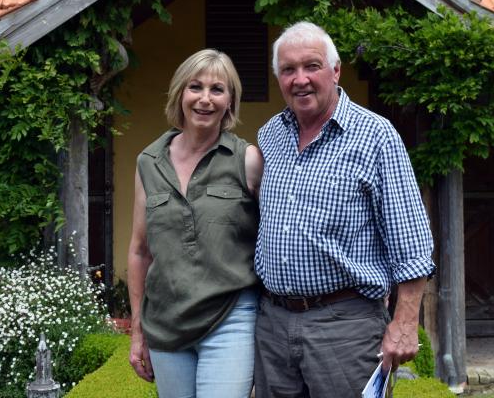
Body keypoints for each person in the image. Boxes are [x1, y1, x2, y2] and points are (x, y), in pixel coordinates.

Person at [253, 21, 435, 398]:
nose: (299, 79)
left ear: (336, 71)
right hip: (273, 323)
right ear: (278, 78)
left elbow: (413, 244)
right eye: (288, 70)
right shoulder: (270, 134)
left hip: (345, 326)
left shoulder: (375, 136)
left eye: (311, 66)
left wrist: (404, 324)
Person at [127, 49, 263, 398]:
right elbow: (140, 251)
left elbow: (275, 238)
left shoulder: (247, 160)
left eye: (217, 89)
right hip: (166, 323)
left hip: (230, 317)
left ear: (230, 100)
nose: (205, 99)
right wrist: (138, 332)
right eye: (195, 87)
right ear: (180, 94)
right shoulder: (148, 163)